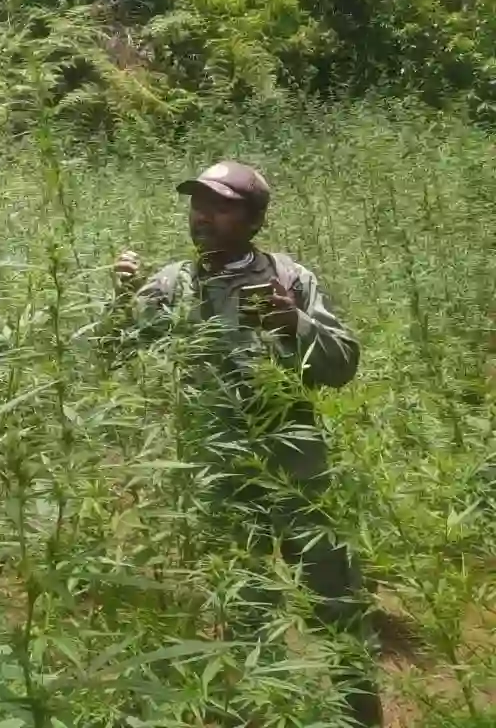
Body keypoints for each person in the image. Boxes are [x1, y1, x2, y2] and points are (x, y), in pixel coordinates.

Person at [112, 161, 382, 726]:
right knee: (246, 612)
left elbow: (342, 366)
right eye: (198, 203)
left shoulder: (290, 278)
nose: (203, 215)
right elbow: (114, 355)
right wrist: (120, 300)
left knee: (336, 603)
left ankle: (360, 715)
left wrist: (295, 324)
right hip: (221, 479)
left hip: (299, 475)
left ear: (255, 220)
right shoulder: (173, 286)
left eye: (221, 206)